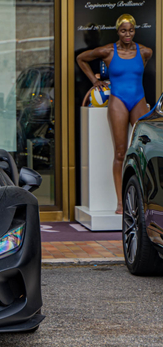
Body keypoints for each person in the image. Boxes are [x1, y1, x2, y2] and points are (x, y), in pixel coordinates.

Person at [77, 14, 152, 214]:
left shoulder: (145, 52)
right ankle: (121, 202)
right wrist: (94, 80)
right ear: (117, 31)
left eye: (131, 30)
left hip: (139, 100)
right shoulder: (108, 51)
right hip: (118, 100)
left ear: (134, 30)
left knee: (143, 153)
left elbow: (137, 73)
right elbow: (81, 59)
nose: (127, 34)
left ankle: (144, 199)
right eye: (123, 31)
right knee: (120, 152)